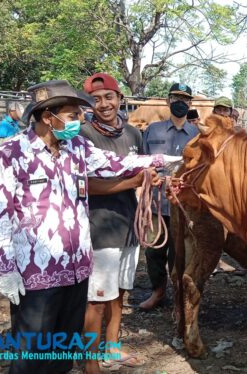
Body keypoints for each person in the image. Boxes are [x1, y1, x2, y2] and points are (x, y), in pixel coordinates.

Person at [0, 80, 180, 374]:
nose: (80, 120)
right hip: (36, 276)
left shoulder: (76, 147)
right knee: (32, 357)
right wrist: (6, 269)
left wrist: (166, 160)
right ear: (48, 117)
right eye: (72, 115)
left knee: (62, 354)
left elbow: (117, 163)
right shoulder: (11, 154)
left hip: (76, 270)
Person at [78, 73, 147, 372]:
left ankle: (113, 347)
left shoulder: (133, 135)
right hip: (99, 226)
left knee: (119, 292)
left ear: (120, 99)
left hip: (128, 224)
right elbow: (86, 185)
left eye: (109, 97)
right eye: (96, 99)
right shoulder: (83, 135)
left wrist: (153, 183)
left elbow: (145, 172)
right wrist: (132, 181)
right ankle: (90, 362)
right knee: (95, 298)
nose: (104, 104)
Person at [140, 83, 200, 310]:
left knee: (181, 252)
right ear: (167, 101)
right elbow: (143, 162)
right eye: (175, 98)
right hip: (156, 202)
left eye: (184, 99)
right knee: (154, 251)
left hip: (183, 204)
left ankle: (178, 296)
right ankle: (158, 291)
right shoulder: (153, 130)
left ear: (190, 104)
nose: (179, 103)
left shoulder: (196, 134)